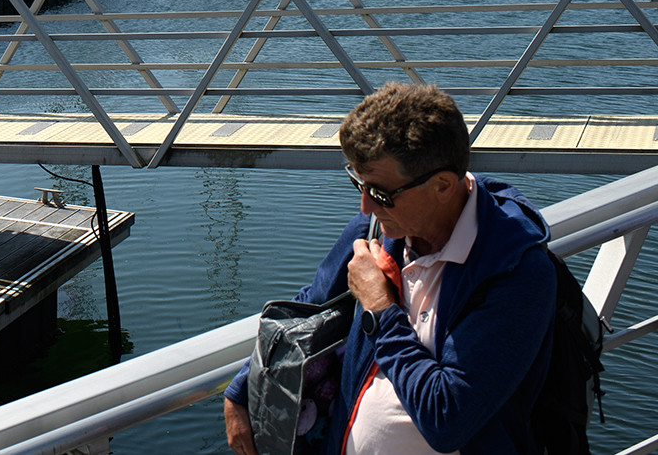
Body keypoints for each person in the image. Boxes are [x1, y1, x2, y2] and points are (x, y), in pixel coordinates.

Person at [223, 82, 555, 455]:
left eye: (380, 193)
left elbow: (446, 419)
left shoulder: (515, 273)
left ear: (443, 186)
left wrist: (381, 308)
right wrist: (240, 392)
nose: (365, 206)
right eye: (358, 183)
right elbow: (307, 312)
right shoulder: (375, 232)